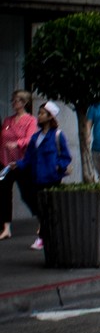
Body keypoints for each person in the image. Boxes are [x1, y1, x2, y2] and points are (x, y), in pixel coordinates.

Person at [16, 101, 72, 250]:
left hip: (52, 178)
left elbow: (66, 156)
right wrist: (17, 164)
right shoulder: (35, 138)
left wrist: (58, 167)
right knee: (41, 208)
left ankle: (45, 237)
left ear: (50, 116)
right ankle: (45, 235)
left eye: (42, 113)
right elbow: (28, 158)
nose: (39, 116)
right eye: (39, 113)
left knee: (50, 209)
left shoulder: (57, 136)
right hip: (37, 177)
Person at [0, 89, 36, 241]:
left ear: (24, 102)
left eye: (17, 100)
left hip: (21, 163)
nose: (14, 103)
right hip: (5, 163)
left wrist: (17, 143)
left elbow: (30, 138)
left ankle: (43, 220)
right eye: (13, 100)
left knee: (27, 194)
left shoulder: (30, 120)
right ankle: (6, 227)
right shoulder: (8, 121)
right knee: (3, 194)